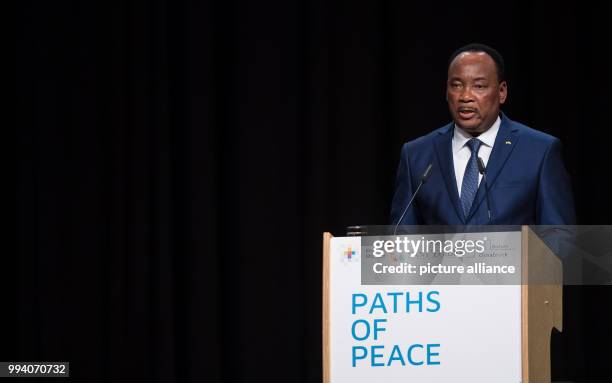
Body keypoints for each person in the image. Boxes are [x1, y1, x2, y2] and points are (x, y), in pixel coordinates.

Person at [390, 43, 576, 225]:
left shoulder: (539, 151)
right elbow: (400, 238)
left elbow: (558, 238)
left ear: (501, 92)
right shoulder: (416, 154)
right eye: (456, 85)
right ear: (446, 91)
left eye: (479, 86)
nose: (465, 96)